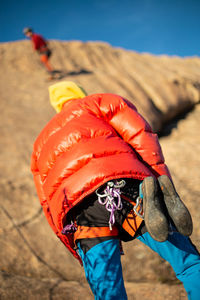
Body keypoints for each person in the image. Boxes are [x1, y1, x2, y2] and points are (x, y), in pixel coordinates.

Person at [31, 81, 200, 300]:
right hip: (127, 189)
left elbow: (48, 204)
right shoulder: (100, 102)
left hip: (83, 214)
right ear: (80, 93)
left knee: (108, 292)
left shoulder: (40, 144)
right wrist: (159, 178)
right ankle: (150, 201)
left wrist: (75, 246)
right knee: (189, 264)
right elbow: (140, 135)